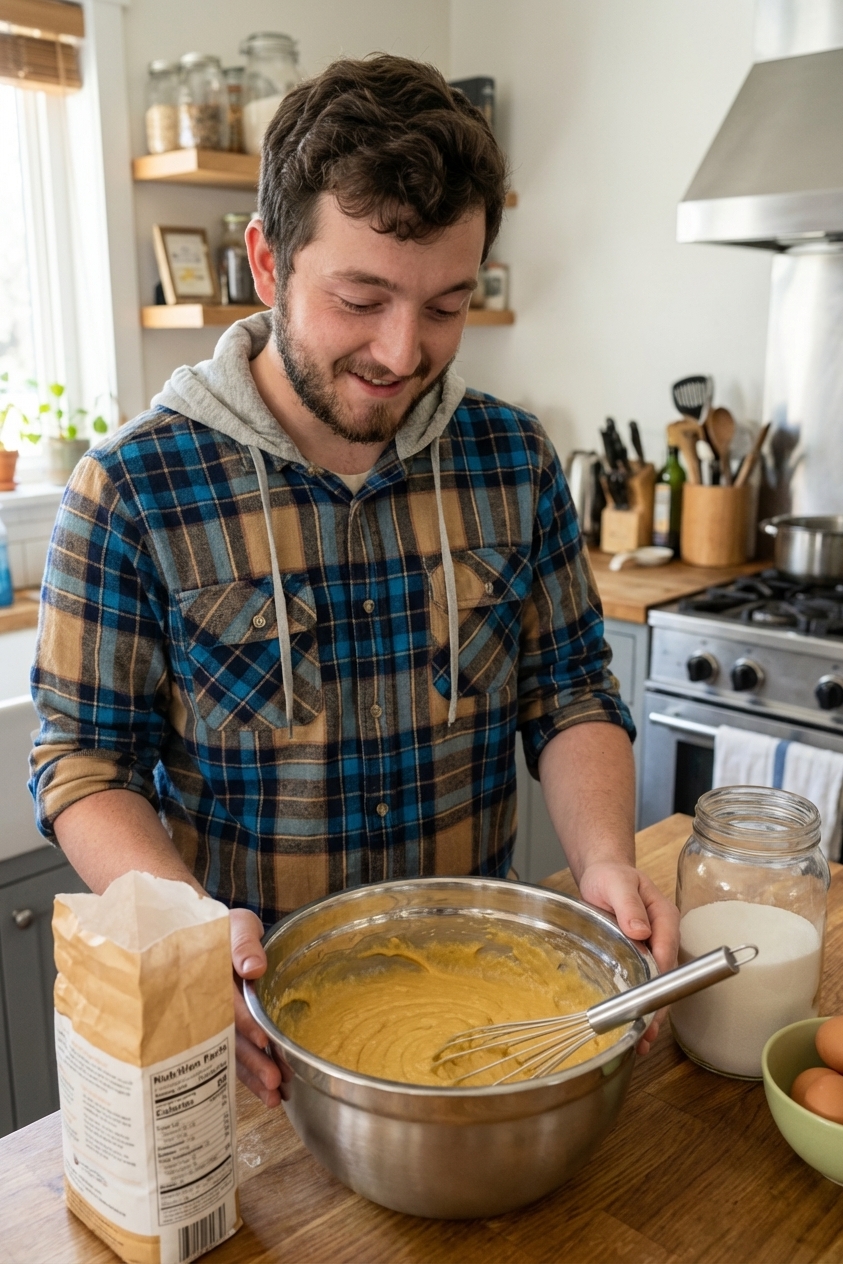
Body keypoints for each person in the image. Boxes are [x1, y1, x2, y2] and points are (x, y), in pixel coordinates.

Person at [29, 54, 678, 1108]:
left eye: (446, 305)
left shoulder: (512, 461)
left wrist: (605, 857)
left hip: (492, 1029)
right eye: (361, 298)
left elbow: (569, 694)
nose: (401, 349)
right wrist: (191, 931)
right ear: (266, 261)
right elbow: (83, 763)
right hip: (255, 1044)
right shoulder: (132, 491)